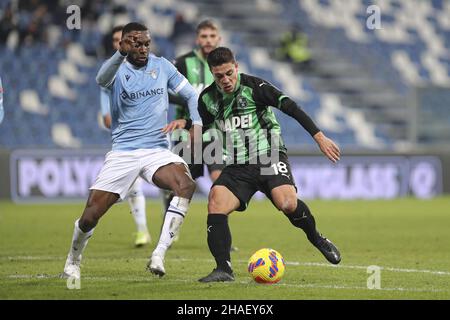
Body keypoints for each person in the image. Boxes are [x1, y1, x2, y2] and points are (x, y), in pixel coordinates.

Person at [62, 22, 202, 280]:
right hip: (124, 152)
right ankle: (73, 260)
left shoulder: (162, 66)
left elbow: (192, 95)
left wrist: (197, 123)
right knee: (91, 215)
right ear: (124, 43)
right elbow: (101, 79)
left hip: (157, 150)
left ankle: (159, 253)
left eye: (146, 43)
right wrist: (120, 54)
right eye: (137, 43)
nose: (143, 48)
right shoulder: (117, 69)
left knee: (185, 185)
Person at [195, 47, 341, 282]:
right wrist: (208, 166)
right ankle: (223, 269)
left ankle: (317, 238)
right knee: (216, 202)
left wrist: (319, 137)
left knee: (287, 203)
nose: (225, 80)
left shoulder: (256, 87)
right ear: (212, 74)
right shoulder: (207, 100)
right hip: (238, 166)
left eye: (229, 73)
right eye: (219, 76)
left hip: (268, 155)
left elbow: (291, 107)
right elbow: (209, 137)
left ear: (237, 67)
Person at [99, 25, 151, 247]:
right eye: (115, 40)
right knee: (133, 185)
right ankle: (143, 231)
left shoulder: (149, 66)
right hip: (127, 139)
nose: (118, 43)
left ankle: (168, 223)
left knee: (169, 184)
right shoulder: (109, 71)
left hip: (152, 135)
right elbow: (106, 117)